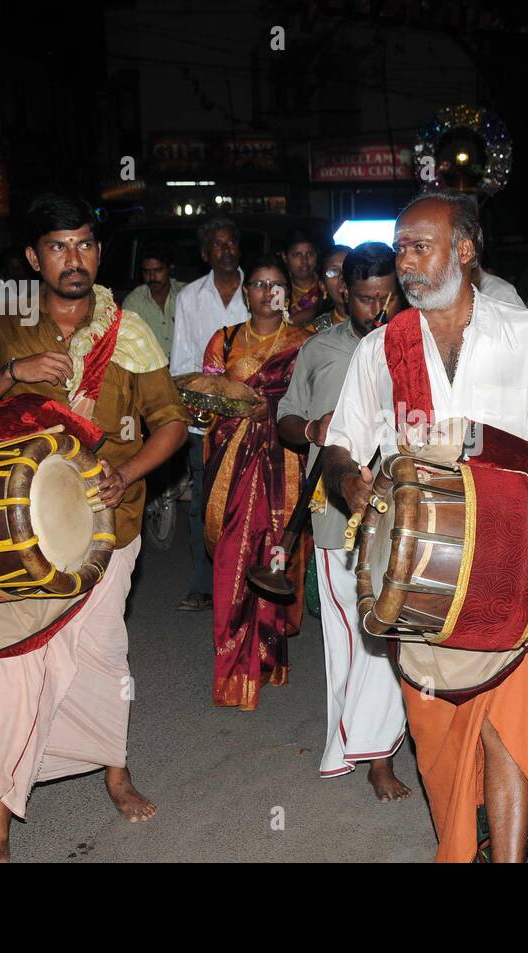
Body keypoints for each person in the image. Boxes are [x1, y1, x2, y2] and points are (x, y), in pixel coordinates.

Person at [322, 191, 528, 862]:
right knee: (442, 736)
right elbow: (339, 445)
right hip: (422, 577)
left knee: (505, 723)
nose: (406, 261)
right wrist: (347, 481)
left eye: (419, 246)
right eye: (400, 249)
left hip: (515, 563)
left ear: (465, 249)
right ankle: (465, 839)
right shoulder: (380, 352)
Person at [0, 194, 188, 862]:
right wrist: (13, 375)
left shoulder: (130, 330)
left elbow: (173, 420)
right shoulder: (4, 326)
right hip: (21, 531)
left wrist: (130, 470)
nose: (73, 258)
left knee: (104, 656)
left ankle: (114, 770)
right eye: (58, 245)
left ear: (99, 254)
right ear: (33, 256)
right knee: (14, 663)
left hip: (112, 527)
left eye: (84, 244)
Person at [277, 242, 410, 799]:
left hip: (404, 510)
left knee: (386, 630)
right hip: (335, 516)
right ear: (343, 293)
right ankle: (355, 741)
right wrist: (313, 430)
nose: (375, 310)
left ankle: (373, 753)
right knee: (347, 637)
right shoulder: (320, 350)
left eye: (385, 298)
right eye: (363, 298)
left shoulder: (411, 349)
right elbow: (283, 420)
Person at [204, 254, 314, 710]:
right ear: (246, 292)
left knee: (274, 554)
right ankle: (232, 670)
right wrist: (229, 409)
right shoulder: (223, 341)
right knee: (233, 559)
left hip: (283, 468)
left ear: (287, 294)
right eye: (258, 284)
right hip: (231, 467)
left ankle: (267, 659)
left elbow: (309, 405)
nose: (266, 293)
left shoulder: (305, 344)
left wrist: (270, 409)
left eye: (276, 285)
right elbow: (203, 399)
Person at [171, 217, 247, 612]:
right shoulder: (189, 298)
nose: (226, 249)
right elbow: (181, 362)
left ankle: (248, 583)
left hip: (251, 418)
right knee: (203, 501)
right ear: (205, 253)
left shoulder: (259, 291)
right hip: (205, 421)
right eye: (217, 244)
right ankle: (204, 584)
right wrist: (205, 403)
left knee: (249, 502)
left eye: (231, 241)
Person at [122, 241, 185, 356]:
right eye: (147, 272)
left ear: (170, 269)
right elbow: (127, 346)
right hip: (150, 369)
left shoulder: (186, 295)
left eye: (158, 270)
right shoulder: (134, 301)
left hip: (185, 369)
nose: (152, 277)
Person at [282, 229, 325, 327]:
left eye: (309, 254)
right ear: (285, 257)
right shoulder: (278, 289)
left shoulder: (326, 286)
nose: (304, 261)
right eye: (297, 255)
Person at [312, 244, 351, 332]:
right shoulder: (312, 332)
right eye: (333, 272)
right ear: (323, 286)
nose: (343, 278)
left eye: (348, 269)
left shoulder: (379, 324)